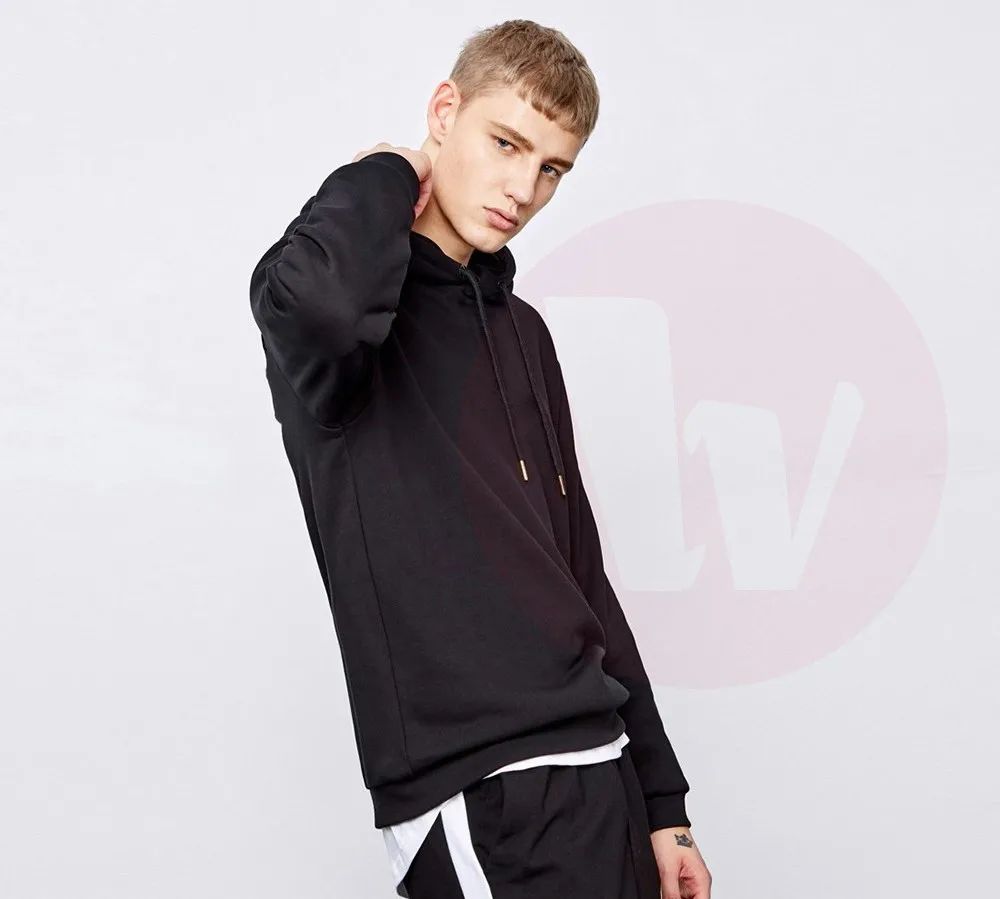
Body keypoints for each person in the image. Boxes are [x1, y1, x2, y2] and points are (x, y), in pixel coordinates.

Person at [248, 18, 712, 899]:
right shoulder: (337, 313)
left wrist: (663, 799)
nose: (522, 189)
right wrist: (386, 172)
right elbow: (321, 307)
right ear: (443, 111)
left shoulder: (523, 333)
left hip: (603, 769)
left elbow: (579, 568)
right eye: (505, 143)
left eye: (552, 169)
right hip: (482, 790)